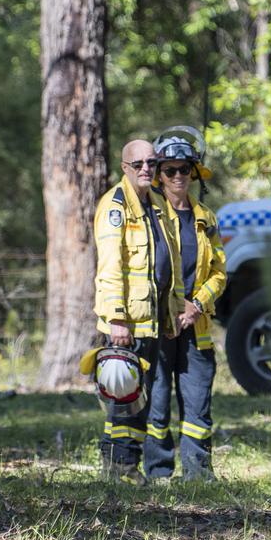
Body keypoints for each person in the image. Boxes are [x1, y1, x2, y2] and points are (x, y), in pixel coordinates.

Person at [93, 139, 184, 484]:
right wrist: (117, 318)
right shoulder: (115, 206)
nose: (146, 169)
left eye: (151, 162)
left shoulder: (158, 204)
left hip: (154, 322)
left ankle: (125, 468)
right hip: (126, 323)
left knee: (140, 400)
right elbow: (111, 266)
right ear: (125, 168)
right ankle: (119, 469)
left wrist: (173, 312)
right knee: (123, 398)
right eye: (138, 164)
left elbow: (170, 264)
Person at [144, 128, 227, 481]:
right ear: (159, 174)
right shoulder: (147, 215)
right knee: (158, 400)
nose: (178, 177)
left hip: (197, 325)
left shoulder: (205, 217)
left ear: (194, 173)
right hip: (159, 325)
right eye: (170, 170)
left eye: (184, 170)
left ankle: (197, 473)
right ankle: (159, 472)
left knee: (197, 402)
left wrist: (196, 305)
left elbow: (219, 273)